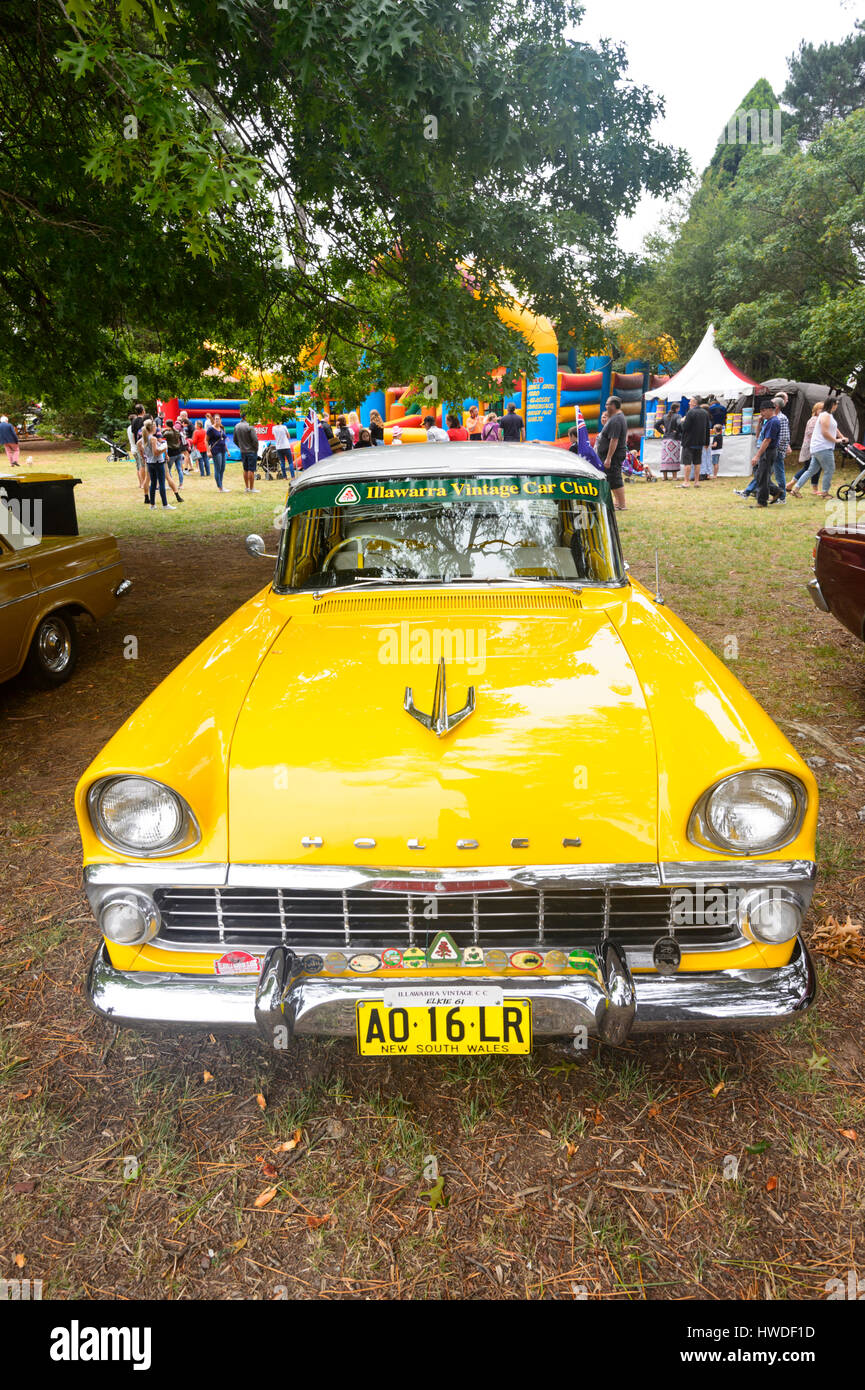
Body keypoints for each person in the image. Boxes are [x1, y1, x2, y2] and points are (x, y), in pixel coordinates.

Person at [790, 398, 847, 499]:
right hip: (823, 447)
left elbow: (835, 429)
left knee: (811, 470)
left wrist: (842, 437)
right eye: (836, 404)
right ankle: (825, 493)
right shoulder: (825, 415)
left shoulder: (828, 415)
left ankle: (795, 489)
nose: (837, 406)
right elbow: (825, 432)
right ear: (832, 404)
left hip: (819, 448)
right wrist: (837, 441)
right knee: (830, 469)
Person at [595, 395, 628, 510]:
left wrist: (608, 458)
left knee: (615, 478)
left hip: (614, 455)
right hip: (609, 455)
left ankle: (622, 504)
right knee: (611, 478)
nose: (606, 406)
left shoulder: (616, 420)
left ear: (613, 406)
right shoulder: (615, 418)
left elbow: (614, 440)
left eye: (608, 404)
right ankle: (618, 503)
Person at [749, 400, 783, 508]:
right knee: (760, 475)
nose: (762, 414)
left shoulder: (773, 422)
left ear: (770, 409)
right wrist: (759, 422)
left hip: (769, 451)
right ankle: (776, 491)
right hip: (766, 450)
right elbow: (759, 436)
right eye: (760, 411)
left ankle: (761, 502)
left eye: (763, 411)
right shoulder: (767, 421)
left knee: (762, 477)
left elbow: (767, 440)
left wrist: (757, 455)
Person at [789, 402, 823, 497]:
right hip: (810, 448)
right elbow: (811, 435)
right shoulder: (814, 420)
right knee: (809, 468)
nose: (822, 411)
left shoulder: (819, 420)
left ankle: (792, 485)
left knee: (812, 468)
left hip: (814, 447)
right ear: (815, 411)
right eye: (820, 409)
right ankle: (792, 485)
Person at [140, 420, 175, 510]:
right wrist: (164, 448)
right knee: (162, 483)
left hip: (150, 463)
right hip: (157, 463)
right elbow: (155, 452)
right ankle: (165, 504)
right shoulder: (153, 438)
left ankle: (152, 505)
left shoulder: (144, 438)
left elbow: (141, 447)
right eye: (155, 427)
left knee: (153, 483)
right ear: (152, 428)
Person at [678, 396, 710, 489]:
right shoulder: (705, 413)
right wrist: (707, 442)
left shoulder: (690, 413)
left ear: (695, 403)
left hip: (689, 441)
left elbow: (685, 428)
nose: (689, 403)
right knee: (697, 462)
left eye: (690, 401)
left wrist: (682, 421)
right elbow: (707, 428)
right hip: (700, 442)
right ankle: (696, 482)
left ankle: (686, 482)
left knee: (687, 463)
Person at [770, 396, 791, 502]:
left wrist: (778, 449)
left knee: (779, 473)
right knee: (769, 472)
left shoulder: (781, 418)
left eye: (772, 403)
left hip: (776, 450)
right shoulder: (774, 417)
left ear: (776, 406)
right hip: (774, 449)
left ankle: (782, 497)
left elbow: (784, 436)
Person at [234, 413, 261, 493]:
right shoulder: (250, 426)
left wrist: (241, 447)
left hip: (243, 451)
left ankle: (247, 487)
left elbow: (235, 440)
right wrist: (256, 449)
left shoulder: (237, 426)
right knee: (251, 469)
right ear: (246, 417)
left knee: (245, 469)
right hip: (251, 451)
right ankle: (252, 488)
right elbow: (255, 440)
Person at [658, 407, 682, 480]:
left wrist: (663, 432)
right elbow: (679, 424)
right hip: (674, 440)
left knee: (665, 459)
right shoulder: (678, 416)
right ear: (677, 409)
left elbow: (656, 425)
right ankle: (674, 477)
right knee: (674, 458)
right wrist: (679, 432)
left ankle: (665, 477)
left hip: (665, 440)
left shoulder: (665, 416)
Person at [207, 413, 229, 491]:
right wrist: (208, 451)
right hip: (216, 450)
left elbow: (223, 440)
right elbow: (206, 440)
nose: (217, 420)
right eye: (215, 419)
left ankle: (221, 485)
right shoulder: (211, 429)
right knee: (218, 468)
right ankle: (220, 487)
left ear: (220, 420)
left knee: (222, 468)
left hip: (223, 450)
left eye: (218, 419)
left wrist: (227, 451)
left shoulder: (222, 428)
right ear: (214, 420)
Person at [163, 418, 185, 490]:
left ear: (167, 425)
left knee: (168, 469)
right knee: (179, 469)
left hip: (171, 452)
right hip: (178, 451)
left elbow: (162, 435)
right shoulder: (177, 431)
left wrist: (165, 430)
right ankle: (181, 484)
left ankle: (170, 484)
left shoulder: (168, 433)